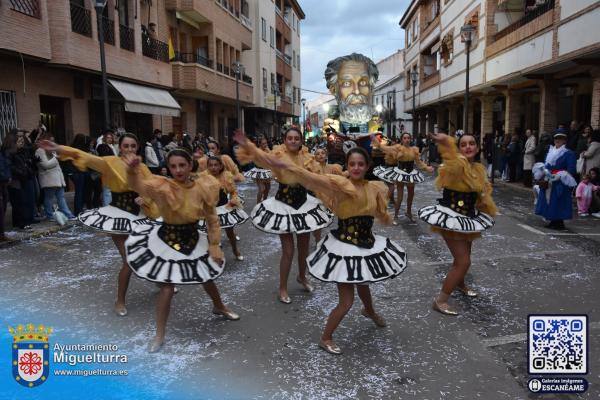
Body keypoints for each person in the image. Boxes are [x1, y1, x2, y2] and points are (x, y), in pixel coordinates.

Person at [240, 141, 407, 354]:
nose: (356, 168)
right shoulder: (338, 184)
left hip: (366, 245)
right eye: (352, 164)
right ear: (347, 165)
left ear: (367, 166)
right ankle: (326, 337)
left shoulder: (374, 188)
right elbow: (304, 174)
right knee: (346, 302)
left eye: (361, 164)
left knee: (363, 282)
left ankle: (369, 311)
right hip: (343, 249)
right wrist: (256, 152)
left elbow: (381, 210)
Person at [123, 149, 239, 352]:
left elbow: (212, 218)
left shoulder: (203, 187)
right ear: (168, 168)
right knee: (167, 288)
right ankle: (159, 334)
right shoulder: (162, 186)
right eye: (173, 166)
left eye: (182, 165)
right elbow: (138, 185)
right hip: (166, 239)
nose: (178, 170)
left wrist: (214, 246)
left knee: (206, 278)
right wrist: (132, 171)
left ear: (190, 165)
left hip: (193, 238)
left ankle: (219, 306)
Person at [38, 133, 158, 316]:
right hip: (117, 218)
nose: (130, 149)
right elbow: (85, 156)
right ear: (120, 147)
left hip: (139, 217)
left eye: (133, 146)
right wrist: (58, 148)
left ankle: (160, 282)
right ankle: (120, 300)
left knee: (148, 252)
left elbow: (152, 187)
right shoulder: (110, 162)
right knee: (129, 262)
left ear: (138, 147)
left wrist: (146, 198)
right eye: (126, 146)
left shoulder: (142, 167)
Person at [234, 127, 333, 304]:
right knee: (288, 250)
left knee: (304, 247)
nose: (293, 141)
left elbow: (317, 178)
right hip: (282, 206)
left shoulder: (308, 158)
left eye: (296, 138)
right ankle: (282, 287)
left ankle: (302, 277)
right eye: (290, 138)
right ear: (285, 140)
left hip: (303, 206)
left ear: (301, 141)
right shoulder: (278, 155)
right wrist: (247, 145)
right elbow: (261, 157)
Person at [418, 132, 497, 315]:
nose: (468, 147)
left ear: (477, 148)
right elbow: (452, 160)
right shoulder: (456, 164)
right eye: (463, 144)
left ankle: (461, 284)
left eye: (472, 144)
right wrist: (447, 143)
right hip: (450, 217)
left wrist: (482, 204)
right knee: (463, 261)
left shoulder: (478, 168)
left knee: (464, 257)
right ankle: (441, 300)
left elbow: (481, 192)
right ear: (459, 148)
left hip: (468, 217)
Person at [372, 133, 434, 224]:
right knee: (400, 197)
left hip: (410, 174)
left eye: (408, 138)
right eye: (405, 138)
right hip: (400, 174)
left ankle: (408, 213)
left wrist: (427, 168)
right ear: (402, 139)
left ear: (411, 139)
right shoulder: (397, 148)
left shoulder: (414, 150)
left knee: (410, 196)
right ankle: (396, 216)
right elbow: (385, 149)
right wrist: (377, 143)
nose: (407, 140)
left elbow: (419, 162)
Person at [201, 156, 249, 261]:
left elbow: (233, 191)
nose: (213, 167)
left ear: (220, 166)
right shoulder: (203, 178)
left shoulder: (226, 176)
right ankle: (214, 254)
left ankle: (235, 250)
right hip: (210, 210)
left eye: (216, 165)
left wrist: (233, 200)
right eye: (210, 165)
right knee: (211, 234)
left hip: (224, 208)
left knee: (230, 232)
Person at [533, 130, 577, 230]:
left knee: (559, 201)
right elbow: (547, 165)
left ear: (564, 140)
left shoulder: (569, 153)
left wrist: (560, 175)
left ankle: (559, 222)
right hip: (549, 179)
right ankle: (553, 220)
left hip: (560, 181)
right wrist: (542, 171)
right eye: (556, 138)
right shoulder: (551, 152)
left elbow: (571, 169)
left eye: (560, 138)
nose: (558, 140)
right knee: (549, 201)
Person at [34, 132, 75, 221]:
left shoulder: (51, 151)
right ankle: (50, 215)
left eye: (53, 141)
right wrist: (56, 158)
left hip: (57, 178)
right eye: (50, 141)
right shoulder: (39, 151)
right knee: (49, 198)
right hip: (48, 179)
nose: (52, 143)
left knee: (61, 197)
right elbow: (44, 165)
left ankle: (68, 215)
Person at [3, 130, 36, 230]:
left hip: (21, 178)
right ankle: (22, 223)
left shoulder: (20, 151)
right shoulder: (8, 152)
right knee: (19, 202)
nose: (21, 143)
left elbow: (29, 150)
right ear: (13, 142)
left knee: (21, 201)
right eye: (19, 142)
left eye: (22, 141)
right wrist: (21, 171)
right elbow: (10, 166)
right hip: (14, 180)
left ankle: (20, 222)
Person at [243, 136, 273, 204]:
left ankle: (264, 202)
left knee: (268, 188)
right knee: (262, 189)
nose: (265, 145)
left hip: (266, 171)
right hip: (259, 172)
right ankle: (258, 204)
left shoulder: (268, 150)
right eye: (263, 144)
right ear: (260, 144)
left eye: (266, 143)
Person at [0, 138, 11, 240]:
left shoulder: (2, 152)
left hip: (3, 182)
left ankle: (1, 234)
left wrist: (7, 177)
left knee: (3, 208)